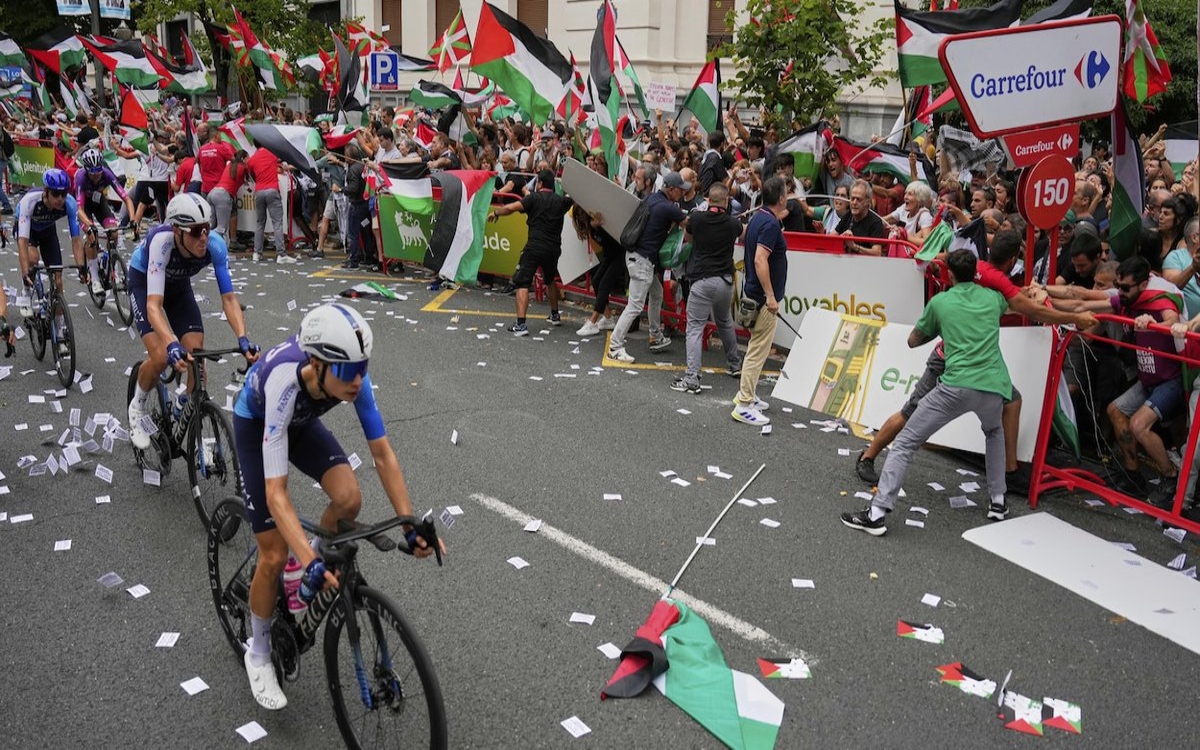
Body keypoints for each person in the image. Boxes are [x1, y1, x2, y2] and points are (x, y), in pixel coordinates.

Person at [231, 303, 445, 710]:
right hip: (259, 425)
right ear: (316, 364)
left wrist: (409, 524)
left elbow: (382, 455)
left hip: (301, 422)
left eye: (363, 367)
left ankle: (303, 568)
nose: (358, 379)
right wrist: (305, 556)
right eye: (349, 371)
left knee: (349, 498)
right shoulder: (284, 382)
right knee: (273, 552)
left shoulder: (350, 379)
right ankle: (257, 654)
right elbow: (277, 494)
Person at [853, 232, 1097, 492]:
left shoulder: (974, 269)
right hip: (950, 359)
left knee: (1012, 400)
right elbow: (1033, 310)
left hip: (974, 360)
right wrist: (1076, 318)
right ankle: (868, 456)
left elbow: (1010, 300)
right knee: (909, 413)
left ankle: (1010, 471)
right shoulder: (996, 285)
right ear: (1013, 259)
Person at [842, 250, 1015, 536]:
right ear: (975, 272)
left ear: (949, 274)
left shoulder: (940, 302)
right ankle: (998, 501)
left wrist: (941, 326)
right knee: (994, 432)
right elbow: (1015, 303)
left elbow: (913, 340)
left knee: (905, 442)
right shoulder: (993, 298)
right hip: (993, 386)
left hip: (956, 384)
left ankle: (877, 513)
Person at [126, 194, 258, 449]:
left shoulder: (215, 245)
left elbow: (229, 299)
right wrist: (171, 343)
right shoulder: (162, 243)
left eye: (206, 228)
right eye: (196, 231)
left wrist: (243, 338)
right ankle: (138, 406)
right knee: (161, 355)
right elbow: (153, 307)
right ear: (177, 230)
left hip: (178, 288)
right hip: (145, 284)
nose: (204, 237)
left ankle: (185, 407)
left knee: (196, 359)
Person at [606, 172, 690, 363]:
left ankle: (655, 335)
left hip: (637, 256)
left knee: (657, 293)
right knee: (634, 306)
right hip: (643, 261)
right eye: (680, 190)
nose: (682, 193)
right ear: (671, 189)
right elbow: (689, 224)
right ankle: (615, 346)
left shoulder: (652, 198)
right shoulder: (668, 207)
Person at [671, 183, 743, 394]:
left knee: (694, 328)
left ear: (708, 200)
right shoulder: (733, 223)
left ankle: (692, 378)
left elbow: (688, 238)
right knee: (724, 321)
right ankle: (735, 364)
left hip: (702, 280)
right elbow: (743, 233)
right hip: (725, 281)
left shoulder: (697, 219)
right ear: (726, 201)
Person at [733, 176, 789, 426]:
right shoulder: (770, 224)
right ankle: (744, 403)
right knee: (757, 350)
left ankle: (748, 395)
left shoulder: (759, 217)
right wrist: (770, 296)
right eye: (786, 193)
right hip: (762, 297)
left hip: (755, 292)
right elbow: (759, 259)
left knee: (757, 347)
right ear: (781, 198)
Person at [490, 170, 574, 336]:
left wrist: (496, 212)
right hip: (554, 248)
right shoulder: (561, 201)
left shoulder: (533, 198)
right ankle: (555, 315)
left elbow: (511, 207)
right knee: (550, 279)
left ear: (540, 183)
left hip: (534, 246)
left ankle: (521, 324)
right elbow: (576, 199)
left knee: (522, 282)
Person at [15, 169, 85, 342]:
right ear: (45, 191)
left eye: (63, 194)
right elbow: (22, 241)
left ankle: (59, 325)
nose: (60, 198)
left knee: (58, 281)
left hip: (48, 232)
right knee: (33, 258)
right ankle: (26, 290)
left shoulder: (69, 203)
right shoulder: (30, 202)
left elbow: (76, 239)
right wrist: (25, 272)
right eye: (55, 194)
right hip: (28, 231)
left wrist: (82, 267)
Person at [75, 148, 135, 293]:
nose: (96, 176)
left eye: (98, 172)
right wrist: (89, 226)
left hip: (99, 202)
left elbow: (126, 198)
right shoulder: (81, 177)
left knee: (113, 233)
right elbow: (79, 209)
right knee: (92, 235)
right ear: (86, 170)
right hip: (84, 207)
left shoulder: (107, 174)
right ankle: (95, 279)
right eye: (92, 173)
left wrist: (133, 220)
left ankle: (113, 269)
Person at [246, 146, 296, 264]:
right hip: (272, 190)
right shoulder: (272, 153)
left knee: (260, 223)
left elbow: (252, 174)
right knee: (277, 223)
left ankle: (257, 253)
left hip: (259, 191)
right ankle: (281, 254)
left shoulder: (252, 159)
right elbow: (284, 159)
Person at [836, 179, 887, 256]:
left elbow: (877, 253)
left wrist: (854, 246)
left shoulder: (875, 222)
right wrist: (841, 237)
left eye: (858, 199)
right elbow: (832, 237)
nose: (854, 202)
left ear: (868, 201)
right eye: (852, 198)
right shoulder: (848, 215)